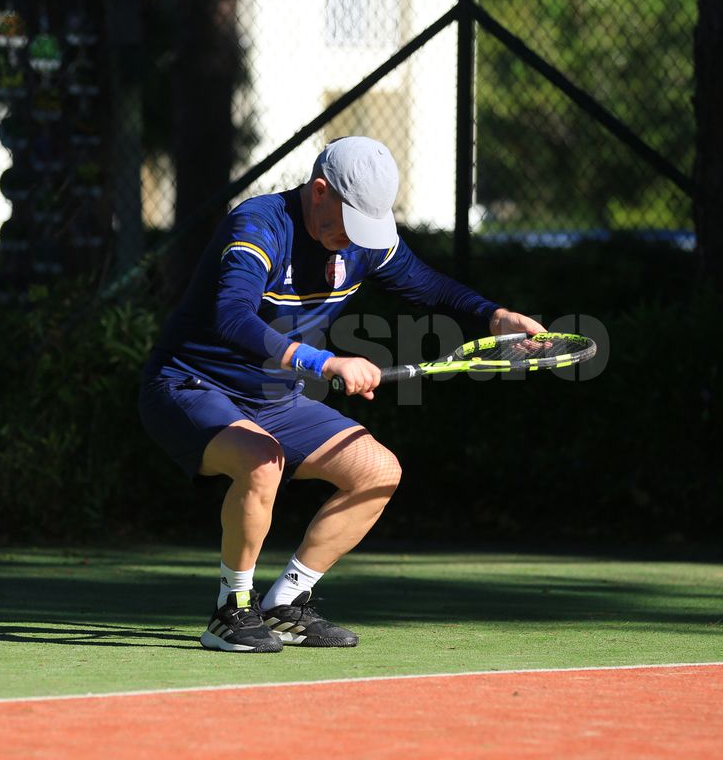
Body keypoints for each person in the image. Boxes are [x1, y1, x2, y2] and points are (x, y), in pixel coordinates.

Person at [139, 136, 544, 652]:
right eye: (347, 221)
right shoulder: (260, 224)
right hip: (188, 385)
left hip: (273, 398)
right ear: (319, 190)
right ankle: (231, 609)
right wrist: (324, 362)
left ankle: (286, 604)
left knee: (377, 472)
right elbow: (231, 317)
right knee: (263, 460)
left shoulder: (363, 242)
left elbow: (428, 286)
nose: (354, 239)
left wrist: (493, 314)